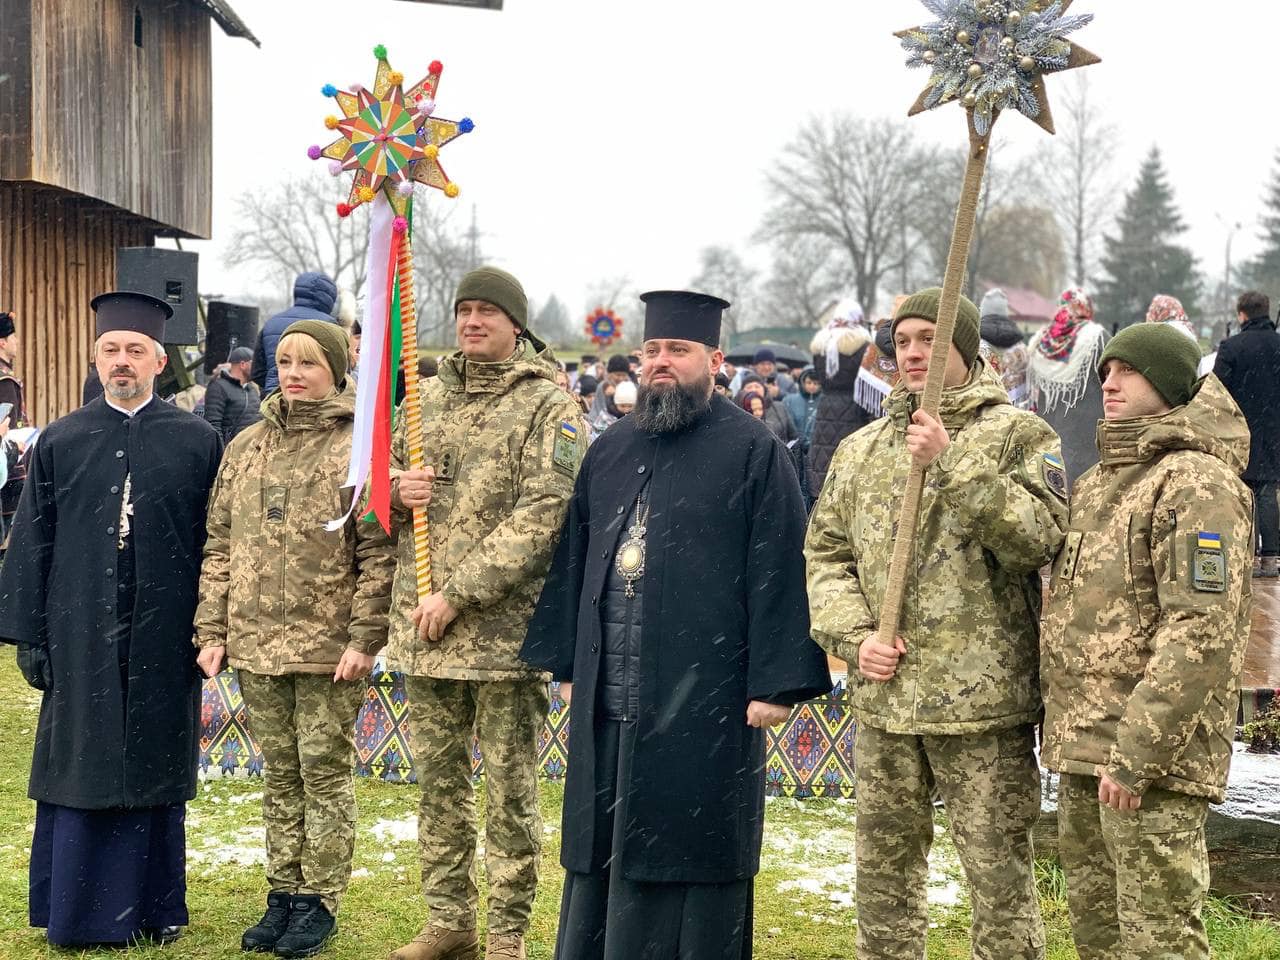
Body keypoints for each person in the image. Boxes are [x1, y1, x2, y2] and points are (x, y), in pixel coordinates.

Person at [522, 289, 831, 960]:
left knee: (694, 847)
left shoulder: (753, 450)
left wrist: (775, 683)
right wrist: (569, 664)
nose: (661, 362)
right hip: (610, 697)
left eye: (678, 350)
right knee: (601, 846)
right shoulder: (609, 451)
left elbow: (780, 565)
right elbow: (575, 559)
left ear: (714, 360)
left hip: (708, 701)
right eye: (653, 350)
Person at [805, 288, 1068, 960]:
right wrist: (854, 636)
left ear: (967, 348)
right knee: (885, 883)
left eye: (932, 338)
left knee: (999, 883)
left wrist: (952, 463)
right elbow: (826, 554)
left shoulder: (1020, 435)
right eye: (905, 340)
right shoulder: (861, 449)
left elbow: (1038, 538)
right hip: (886, 702)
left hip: (981, 706)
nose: (914, 352)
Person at [0, 291, 222, 947]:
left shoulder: (199, 441)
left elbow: (219, 544)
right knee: (81, 763)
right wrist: (31, 636)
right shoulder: (62, 440)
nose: (121, 362)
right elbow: (32, 539)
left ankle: (153, 909)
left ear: (159, 360)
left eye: (134, 351)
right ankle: (76, 912)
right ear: (95, 358)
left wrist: (212, 629)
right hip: (79, 630)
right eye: (110, 350)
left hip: (166, 628)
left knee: (153, 764)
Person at [388, 266, 585, 960]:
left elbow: (545, 515)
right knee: (437, 790)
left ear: (516, 325)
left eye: (488, 312)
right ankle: (449, 922)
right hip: (424, 633)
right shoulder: (422, 400)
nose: (473, 322)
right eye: (464, 310)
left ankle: (506, 934)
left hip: (504, 636)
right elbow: (378, 495)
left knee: (509, 794)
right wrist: (396, 486)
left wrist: (458, 593)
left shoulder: (548, 407)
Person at [1040, 323, 1253, 960]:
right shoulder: (1102, 480)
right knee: (1098, 935)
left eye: (1127, 371)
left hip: (1150, 762)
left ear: (1166, 382)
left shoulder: (1197, 484)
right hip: (1085, 752)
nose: (1108, 382)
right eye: (1106, 370)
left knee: (1159, 938)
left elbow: (1200, 631)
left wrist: (1137, 753)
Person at [194, 320, 394, 957]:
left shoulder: (357, 449)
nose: (294, 372)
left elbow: (378, 554)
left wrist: (364, 637)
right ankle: (282, 891)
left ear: (336, 370)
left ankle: (319, 899)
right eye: (284, 360)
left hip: (328, 648)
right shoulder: (246, 446)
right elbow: (220, 545)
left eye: (309, 362)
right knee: (280, 776)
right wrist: (212, 627)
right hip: (257, 643)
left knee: (325, 776)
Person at [1214, 290, 1280, 577]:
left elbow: (1216, 390)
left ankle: (1246, 555)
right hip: (1275, 428)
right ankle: (1271, 559)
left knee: (1243, 493)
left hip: (1240, 429)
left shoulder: (1231, 348)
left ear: (1241, 314)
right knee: (1267, 492)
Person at [1027, 287, 1108, 489]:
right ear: (1086, 306)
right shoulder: (1096, 337)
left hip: (1047, 432)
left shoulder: (1040, 340)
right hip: (1086, 432)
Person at [807, 299, 877, 498]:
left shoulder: (820, 343)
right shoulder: (862, 343)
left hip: (826, 406)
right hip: (852, 407)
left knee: (824, 461)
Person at [252, 271, 339, 394]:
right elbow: (341, 372)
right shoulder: (330, 326)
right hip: (315, 400)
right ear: (330, 298)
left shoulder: (271, 323)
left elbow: (257, 373)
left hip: (274, 399)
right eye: (284, 362)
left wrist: (275, 385)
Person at [0, 310, 28, 538]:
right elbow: (9, 429)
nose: (17, 342)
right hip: (8, 474)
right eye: (13, 337)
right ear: (2, 342)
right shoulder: (5, 380)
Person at [978, 288, 1030, 408]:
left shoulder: (975, 344)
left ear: (983, 312)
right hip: (1016, 414)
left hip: (982, 415)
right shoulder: (1021, 348)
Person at [203, 345, 262, 444]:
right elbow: (213, 425)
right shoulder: (218, 387)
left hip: (252, 452)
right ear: (242, 365)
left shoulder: (252, 389)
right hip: (231, 452)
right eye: (254, 364)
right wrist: (222, 454)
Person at [738, 375, 797, 444]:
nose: (754, 389)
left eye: (757, 386)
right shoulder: (738, 409)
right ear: (742, 391)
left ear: (764, 389)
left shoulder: (779, 407)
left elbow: (793, 435)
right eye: (749, 387)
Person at [783, 367, 822, 447]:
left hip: (816, 446)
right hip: (794, 446)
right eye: (809, 382)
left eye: (816, 383)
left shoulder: (824, 401)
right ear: (803, 383)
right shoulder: (789, 400)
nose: (812, 386)